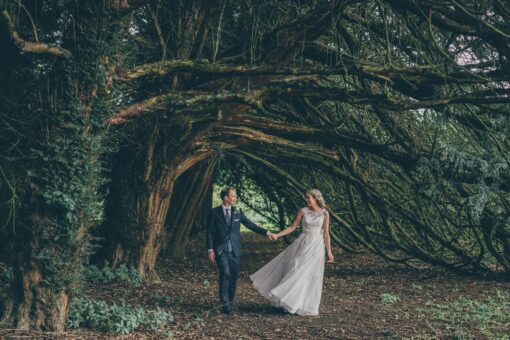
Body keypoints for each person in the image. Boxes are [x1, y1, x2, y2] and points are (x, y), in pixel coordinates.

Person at [250, 189, 334, 316]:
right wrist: (278, 235)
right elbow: (292, 227)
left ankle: (302, 305)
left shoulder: (325, 213)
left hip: (316, 246)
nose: (307, 200)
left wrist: (329, 251)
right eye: (306, 198)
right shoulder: (303, 211)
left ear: (316, 198)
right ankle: (286, 299)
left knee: (311, 275)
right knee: (296, 269)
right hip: (303, 243)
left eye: (309, 198)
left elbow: (326, 233)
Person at [207, 187, 276, 314]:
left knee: (233, 277)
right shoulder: (214, 212)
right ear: (226, 198)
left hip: (235, 251)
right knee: (225, 273)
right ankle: (224, 304)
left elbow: (251, 225)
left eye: (235, 196)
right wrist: (210, 249)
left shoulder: (238, 211)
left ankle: (230, 303)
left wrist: (266, 232)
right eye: (233, 196)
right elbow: (210, 232)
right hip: (221, 250)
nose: (235, 198)